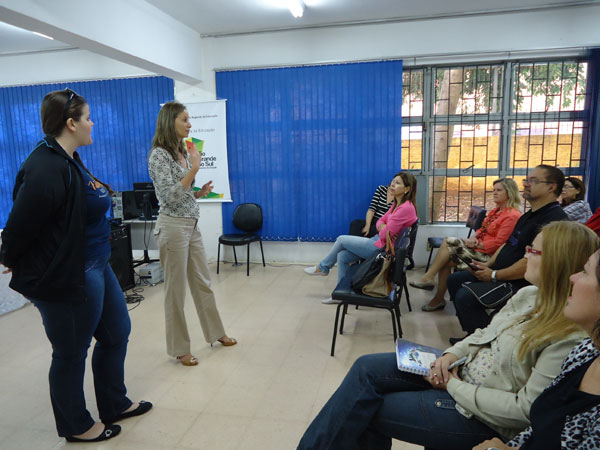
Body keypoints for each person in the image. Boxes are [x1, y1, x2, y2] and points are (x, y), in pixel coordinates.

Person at [297, 221, 599, 450]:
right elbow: (484, 333)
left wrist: (452, 386)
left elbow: (523, 411)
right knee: (366, 368)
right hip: (460, 371)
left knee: (366, 407)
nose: (524, 254)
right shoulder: (530, 295)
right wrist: (451, 356)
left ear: (558, 261)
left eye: (533, 251)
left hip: (478, 409)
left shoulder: (569, 334)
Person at [0, 89, 151, 443]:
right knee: (70, 352)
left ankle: (114, 402)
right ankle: (76, 425)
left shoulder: (69, 158)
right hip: (71, 273)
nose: (92, 122)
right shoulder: (45, 167)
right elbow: (21, 224)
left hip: (97, 265)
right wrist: (10, 257)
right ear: (71, 123)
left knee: (116, 333)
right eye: (87, 117)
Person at [474, 246, 600, 449]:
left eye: (585, 271)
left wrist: (453, 386)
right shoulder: (586, 351)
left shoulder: (571, 339)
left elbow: (522, 409)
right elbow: (541, 426)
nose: (573, 278)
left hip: (484, 406)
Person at [148, 101, 236, 367]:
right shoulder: (158, 156)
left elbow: (183, 192)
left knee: (202, 283)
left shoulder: (181, 151)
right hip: (172, 226)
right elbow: (169, 195)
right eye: (184, 119)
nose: (189, 124)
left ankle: (215, 332)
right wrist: (194, 169)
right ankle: (179, 349)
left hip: (191, 224)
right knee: (175, 292)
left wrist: (198, 191)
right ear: (170, 121)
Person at [448, 165, 567, 339]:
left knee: (466, 296)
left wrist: (495, 275)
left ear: (552, 187)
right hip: (500, 272)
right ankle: (476, 333)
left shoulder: (553, 220)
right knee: (455, 280)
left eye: (533, 181)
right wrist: (487, 265)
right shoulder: (529, 215)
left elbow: (531, 261)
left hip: (520, 283)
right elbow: (507, 244)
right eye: (526, 180)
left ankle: (485, 340)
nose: (526, 184)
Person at [303, 172, 417, 304]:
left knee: (341, 239)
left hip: (382, 250)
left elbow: (384, 233)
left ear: (407, 189)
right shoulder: (397, 204)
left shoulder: (405, 208)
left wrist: (383, 228)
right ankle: (341, 296)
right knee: (343, 256)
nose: (393, 184)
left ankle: (323, 268)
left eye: (398, 183)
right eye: (393, 181)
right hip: (378, 242)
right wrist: (383, 227)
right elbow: (380, 221)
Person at [411, 178, 522, 312]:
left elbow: (499, 243)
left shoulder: (512, 215)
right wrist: (473, 238)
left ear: (509, 193)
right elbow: (482, 229)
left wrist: (477, 244)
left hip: (489, 257)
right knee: (445, 261)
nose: (494, 193)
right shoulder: (496, 211)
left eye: (499, 190)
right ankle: (438, 298)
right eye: (494, 190)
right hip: (479, 248)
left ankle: (429, 279)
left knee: (448, 242)